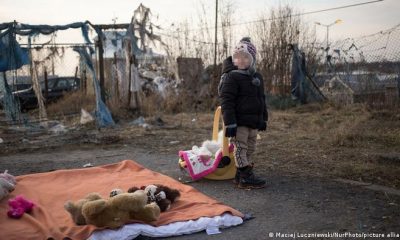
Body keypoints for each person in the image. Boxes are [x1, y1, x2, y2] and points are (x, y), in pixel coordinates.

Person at [218, 37, 268, 189]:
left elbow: (261, 99)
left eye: (246, 57)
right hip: (239, 122)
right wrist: (230, 122)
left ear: (252, 59)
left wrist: (263, 119)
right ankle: (246, 176)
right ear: (234, 59)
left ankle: (239, 175)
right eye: (237, 57)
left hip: (253, 121)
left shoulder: (257, 77)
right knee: (241, 147)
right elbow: (227, 100)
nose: (241, 60)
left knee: (251, 147)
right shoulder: (232, 77)